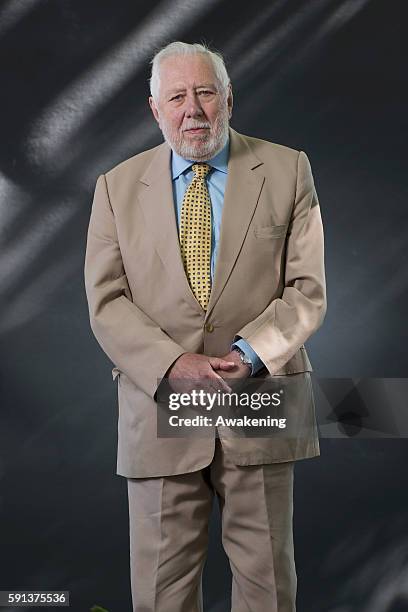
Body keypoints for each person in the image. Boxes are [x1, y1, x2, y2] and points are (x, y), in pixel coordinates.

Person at [84, 41, 326, 612]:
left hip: (260, 398)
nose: (192, 109)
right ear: (155, 109)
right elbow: (107, 301)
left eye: (205, 92)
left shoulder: (289, 169)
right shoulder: (116, 188)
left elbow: (307, 290)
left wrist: (251, 353)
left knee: (269, 587)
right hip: (160, 405)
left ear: (228, 99)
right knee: (161, 595)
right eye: (177, 96)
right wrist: (173, 365)